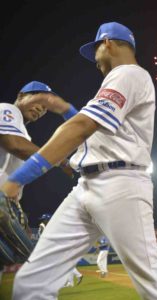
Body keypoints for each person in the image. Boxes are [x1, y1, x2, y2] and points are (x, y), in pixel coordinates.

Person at [1, 22, 157, 300]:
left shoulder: (129, 74)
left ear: (107, 42)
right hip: (86, 187)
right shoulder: (117, 81)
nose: (94, 58)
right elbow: (86, 125)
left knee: (153, 285)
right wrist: (62, 108)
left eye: (95, 49)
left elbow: (81, 127)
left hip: (121, 186)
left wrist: (18, 178)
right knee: (31, 283)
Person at [0, 81, 73, 285]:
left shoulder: (21, 128)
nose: (41, 108)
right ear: (21, 95)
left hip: (7, 200)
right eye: (38, 99)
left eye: (46, 107)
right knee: (32, 259)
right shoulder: (8, 109)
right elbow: (13, 144)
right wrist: (60, 159)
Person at [37, 213, 83, 287]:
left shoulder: (44, 226)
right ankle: (71, 281)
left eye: (43, 220)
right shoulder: (52, 227)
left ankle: (76, 276)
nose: (42, 221)